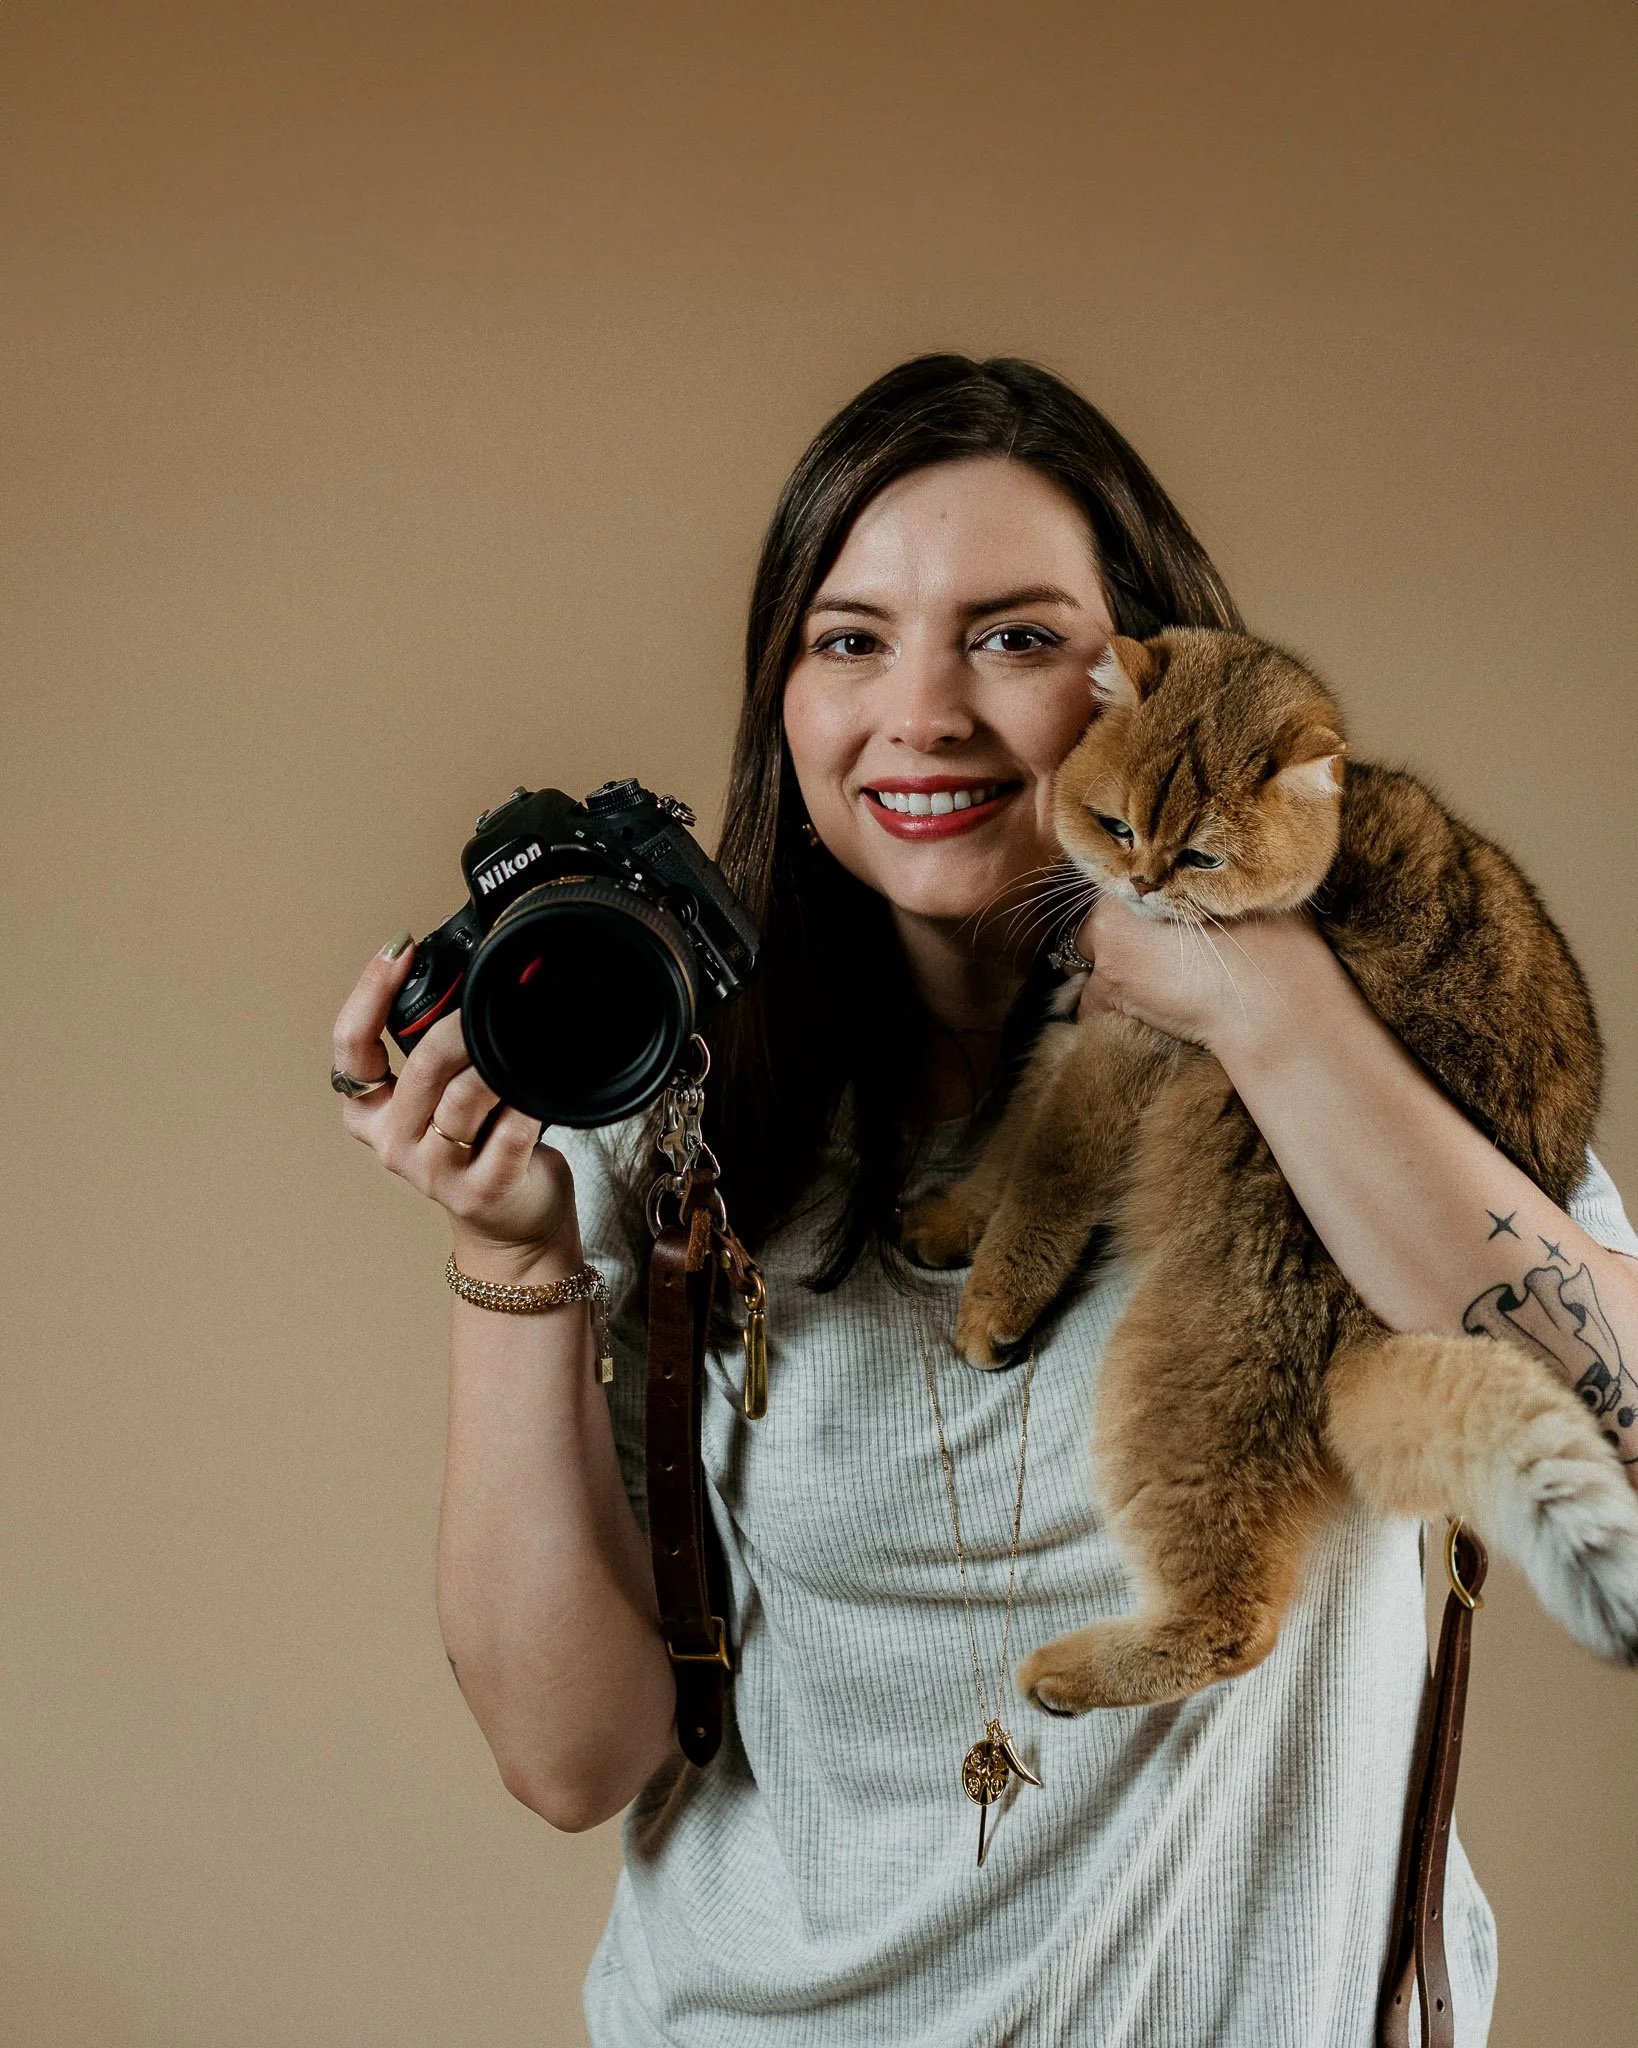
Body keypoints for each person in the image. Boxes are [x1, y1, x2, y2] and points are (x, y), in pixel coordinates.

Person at [332, 356, 1638, 2046]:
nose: (923, 711)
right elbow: (570, 1762)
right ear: (779, 698)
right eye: (848, 638)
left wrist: (1262, 1002)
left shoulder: (1387, 1027)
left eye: (1016, 639)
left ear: (1151, 686)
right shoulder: (685, 1120)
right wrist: (503, 1261)